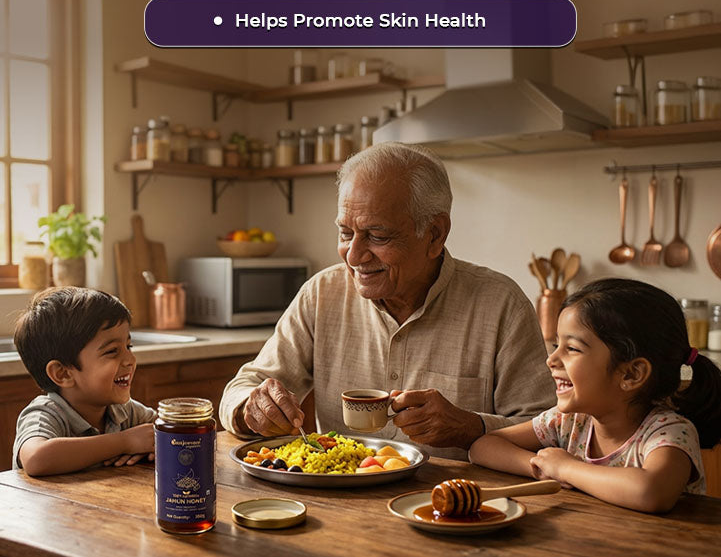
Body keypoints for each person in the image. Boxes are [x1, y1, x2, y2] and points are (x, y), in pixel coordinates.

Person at [220, 142, 556, 460]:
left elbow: (550, 429)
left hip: (456, 508)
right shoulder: (321, 294)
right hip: (341, 502)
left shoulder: (501, 305)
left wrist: (471, 427)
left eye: (377, 236)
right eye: (345, 233)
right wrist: (251, 407)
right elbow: (243, 387)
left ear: (435, 234)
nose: (353, 255)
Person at [469, 278, 721, 512]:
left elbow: (650, 492)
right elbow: (483, 446)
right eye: (557, 345)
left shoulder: (669, 431)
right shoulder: (569, 421)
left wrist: (567, 467)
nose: (551, 359)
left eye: (572, 348)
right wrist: (541, 467)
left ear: (631, 375)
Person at [12, 287, 156, 475]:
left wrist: (154, 445)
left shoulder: (124, 411)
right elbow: (36, 458)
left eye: (128, 346)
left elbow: (170, 431)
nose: (130, 360)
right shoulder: (46, 414)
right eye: (112, 351)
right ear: (63, 374)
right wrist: (125, 442)